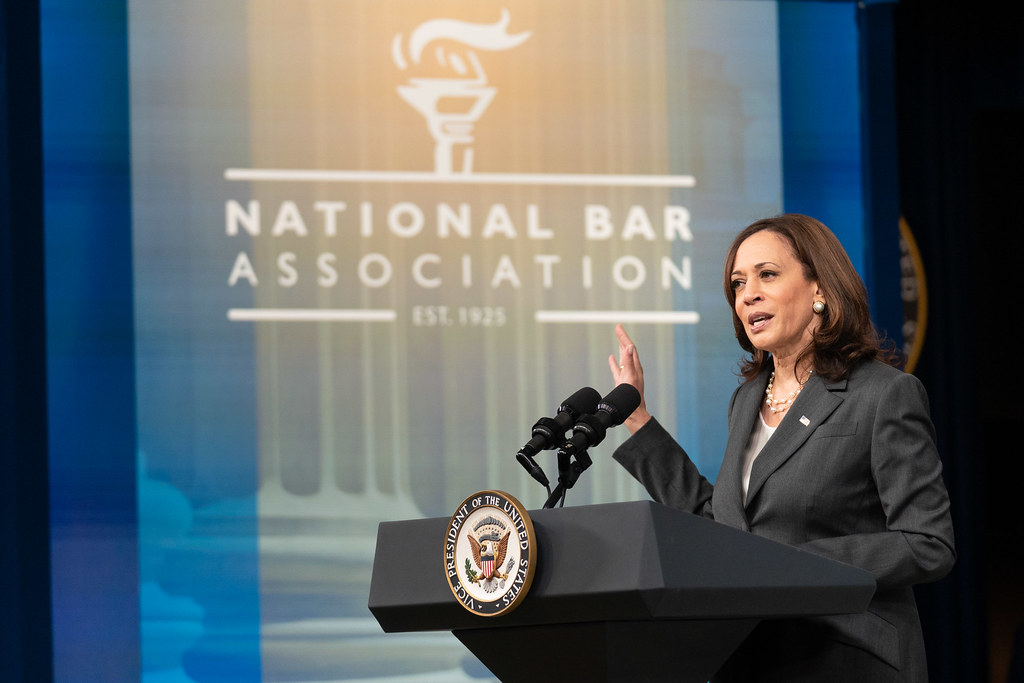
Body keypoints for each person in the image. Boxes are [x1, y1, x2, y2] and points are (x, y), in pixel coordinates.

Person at [607, 213, 955, 683]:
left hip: (846, 656)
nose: (747, 293)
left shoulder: (883, 394)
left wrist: (795, 566)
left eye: (767, 274)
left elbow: (928, 543)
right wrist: (637, 418)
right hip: (749, 655)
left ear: (820, 289)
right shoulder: (746, 401)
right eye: (737, 283)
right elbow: (727, 533)